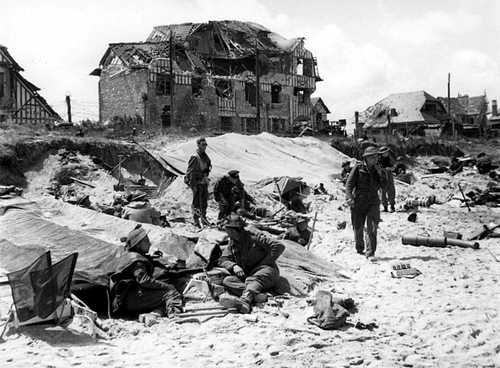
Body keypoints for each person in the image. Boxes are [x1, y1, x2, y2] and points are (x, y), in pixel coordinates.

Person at [109, 225, 183, 318]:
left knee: (162, 290)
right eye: (146, 241)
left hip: (128, 297)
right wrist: (167, 287)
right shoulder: (137, 261)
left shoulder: (129, 254)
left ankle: (155, 312)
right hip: (130, 300)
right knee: (171, 292)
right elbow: (144, 281)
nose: (149, 244)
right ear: (139, 244)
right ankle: (175, 315)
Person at [217, 214, 285, 313]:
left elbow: (278, 246)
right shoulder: (232, 242)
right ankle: (256, 295)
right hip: (248, 274)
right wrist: (234, 266)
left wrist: (265, 263)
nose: (226, 232)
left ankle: (245, 300)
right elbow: (222, 259)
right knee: (228, 280)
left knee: (258, 277)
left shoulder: (254, 236)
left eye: (227, 229)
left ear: (234, 229)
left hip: (265, 272)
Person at [345, 146, 386, 260]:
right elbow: (349, 184)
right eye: (372, 157)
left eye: (376, 156)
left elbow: (384, 186)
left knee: (372, 227)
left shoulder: (379, 169)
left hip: (373, 202)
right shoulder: (358, 168)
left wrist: (381, 174)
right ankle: (359, 247)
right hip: (358, 201)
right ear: (366, 158)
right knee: (358, 227)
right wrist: (349, 197)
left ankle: (370, 252)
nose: (375, 159)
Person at [185, 137, 212, 227]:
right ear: (198, 145)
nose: (204, 146)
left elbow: (208, 167)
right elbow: (190, 172)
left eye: (205, 144)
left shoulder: (205, 156)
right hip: (196, 182)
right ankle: (196, 220)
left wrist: (206, 175)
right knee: (196, 202)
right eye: (203, 144)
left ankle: (203, 218)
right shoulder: (195, 157)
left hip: (203, 182)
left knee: (204, 202)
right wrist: (193, 185)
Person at [378, 146, 396, 212]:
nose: (386, 153)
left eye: (387, 152)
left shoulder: (390, 158)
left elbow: (394, 166)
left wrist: (390, 168)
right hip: (382, 176)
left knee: (391, 190)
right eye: (385, 152)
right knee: (383, 192)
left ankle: (392, 206)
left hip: (389, 174)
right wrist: (383, 170)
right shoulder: (378, 159)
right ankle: (385, 207)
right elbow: (377, 168)